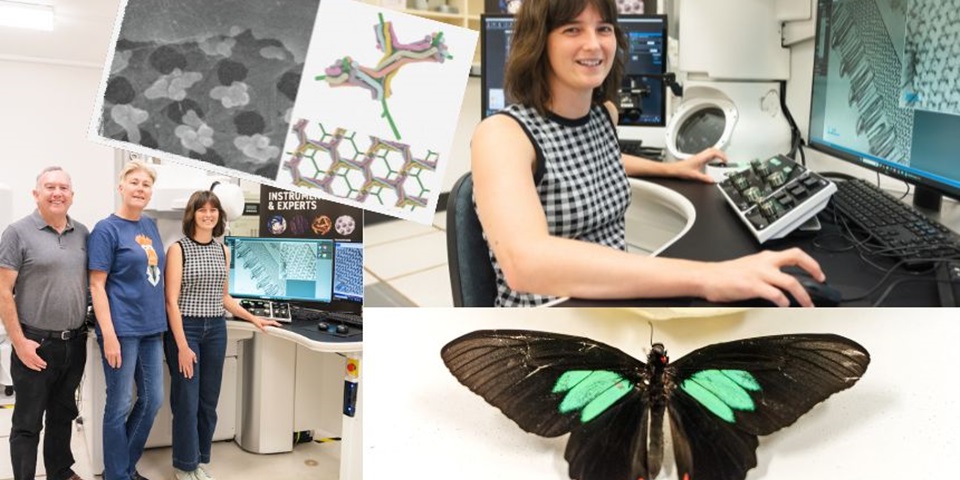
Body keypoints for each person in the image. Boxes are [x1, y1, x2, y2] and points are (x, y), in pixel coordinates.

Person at [471, 0, 825, 307]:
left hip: (612, 306)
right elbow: (526, 264)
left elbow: (596, 160)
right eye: (572, 30)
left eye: (603, 28)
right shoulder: (502, 135)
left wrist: (674, 168)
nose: (594, 45)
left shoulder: (602, 116)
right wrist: (707, 277)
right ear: (538, 42)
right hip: (547, 324)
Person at [163, 190, 281, 480]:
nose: (208, 214)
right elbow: (171, 301)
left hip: (216, 329)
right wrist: (181, 346)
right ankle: (183, 466)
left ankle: (199, 460)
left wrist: (255, 318)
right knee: (186, 402)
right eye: (202, 209)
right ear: (193, 214)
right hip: (186, 329)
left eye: (213, 210)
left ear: (219, 215)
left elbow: (224, 296)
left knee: (208, 402)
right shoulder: (178, 249)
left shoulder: (223, 250)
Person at [0, 167, 89, 480]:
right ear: (35, 194)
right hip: (35, 345)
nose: (57, 193)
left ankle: (60, 472)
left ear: (72, 196)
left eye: (63, 187)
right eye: (49, 187)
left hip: (74, 343)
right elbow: (2, 292)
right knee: (27, 422)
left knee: (63, 414)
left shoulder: (82, 233)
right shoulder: (17, 232)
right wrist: (19, 342)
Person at [88, 160, 167, 480]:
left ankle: (121, 468)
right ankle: (118, 475)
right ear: (121, 187)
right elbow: (96, 284)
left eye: (146, 184)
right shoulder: (106, 229)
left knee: (153, 400)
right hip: (122, 329)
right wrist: (108, 334)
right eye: (134, 182)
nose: (140, 189)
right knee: (119, 405)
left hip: (152, 328)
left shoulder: (149, 225)